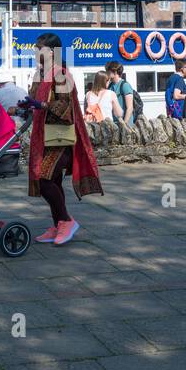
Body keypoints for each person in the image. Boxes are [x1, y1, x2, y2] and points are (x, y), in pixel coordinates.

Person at [27, 32, 102, 245]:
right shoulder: (44, 74)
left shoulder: (60, 74)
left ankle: (66, 221)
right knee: (53, 181)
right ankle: (58, 224)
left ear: (51, 52)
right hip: (47, 137)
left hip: (59, 137)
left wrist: (41, 105)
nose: (34, 51)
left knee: (43, 179)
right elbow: (35, 98)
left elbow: (65, 108)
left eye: (38, 47)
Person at [104, 61, 139, 126]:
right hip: (114, 124)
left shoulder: (125, 85)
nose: (107, 73)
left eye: (108, 72)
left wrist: (124, 125)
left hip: (126, 125)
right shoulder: (110, 86)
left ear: (115, 72)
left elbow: (130, 108)